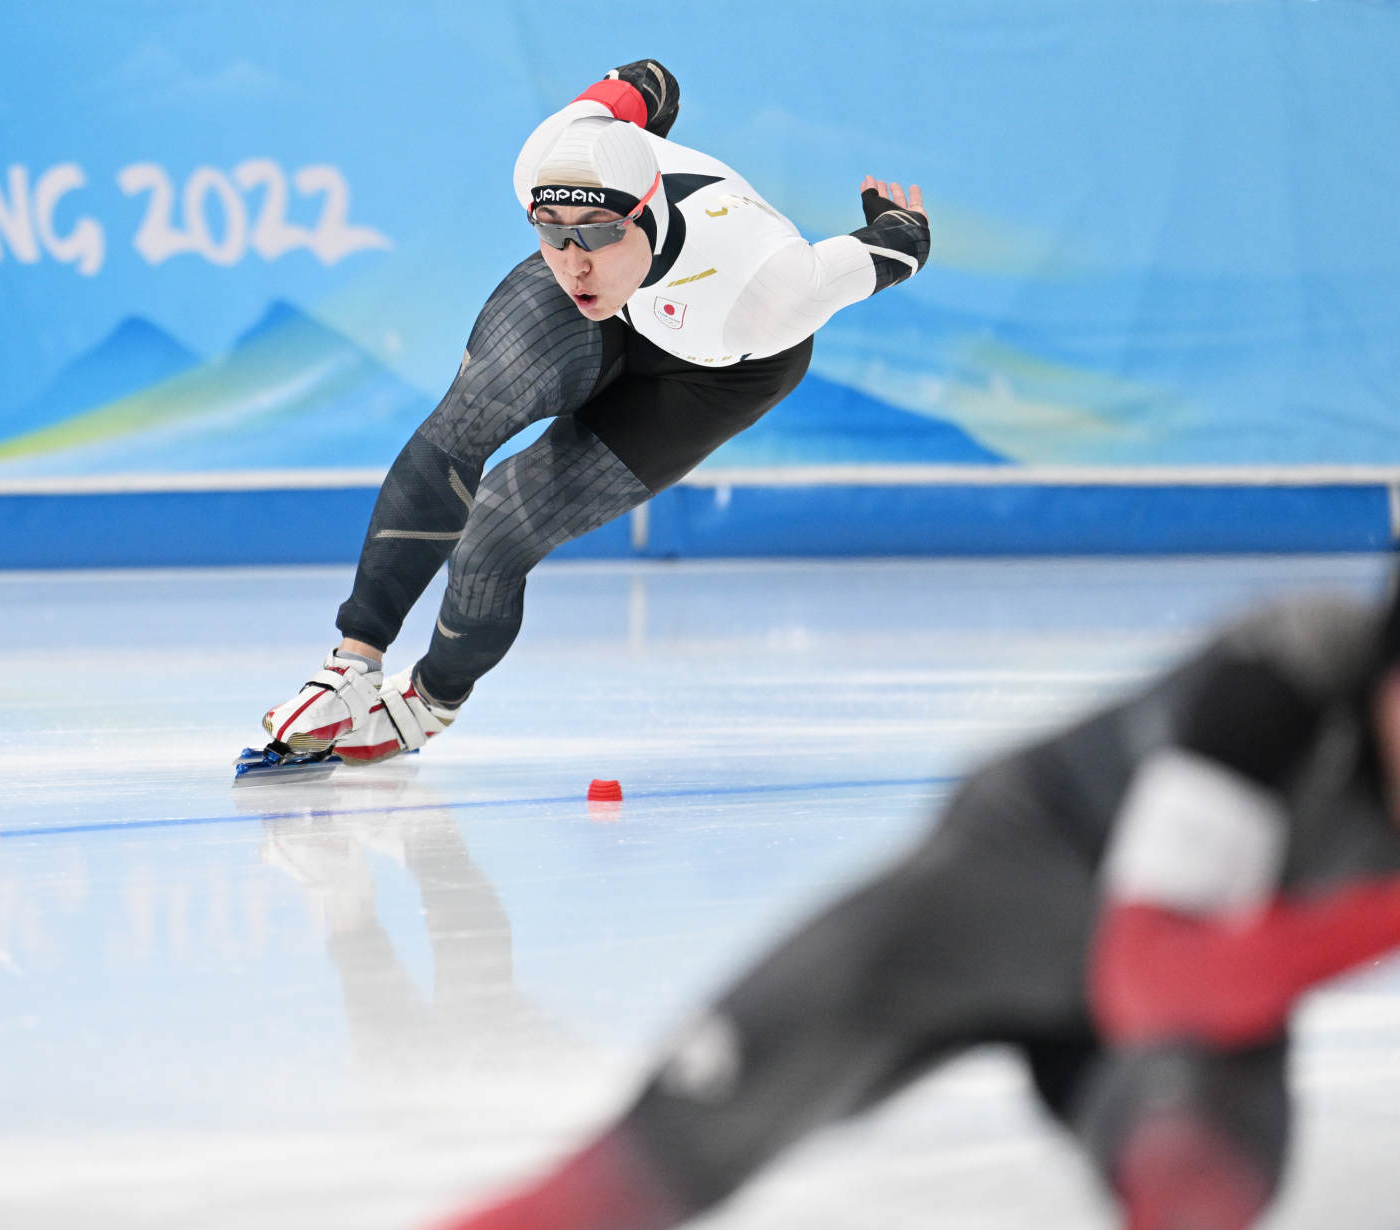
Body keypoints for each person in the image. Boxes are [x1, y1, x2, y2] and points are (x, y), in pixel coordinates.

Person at [203, 522, 1400, 1230]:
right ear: (1388, 682)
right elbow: (1147, 970)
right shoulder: (1274, 688)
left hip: (1213, 968)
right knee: (624, 1186)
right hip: (991, 907)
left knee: (1199, 1215)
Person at [254, 59, 932, 767]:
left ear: (647, 210)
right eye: (551, 230)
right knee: (468, 417)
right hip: (619, 306)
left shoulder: (767, 291)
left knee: (496, 531)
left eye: (600, 231)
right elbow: (650, 79)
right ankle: (350, 668)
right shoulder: (553, 156)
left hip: (715, 367)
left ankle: (426, 702)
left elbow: (899, 247)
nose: (575, 259)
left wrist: (894, 221)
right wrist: (636, 119)